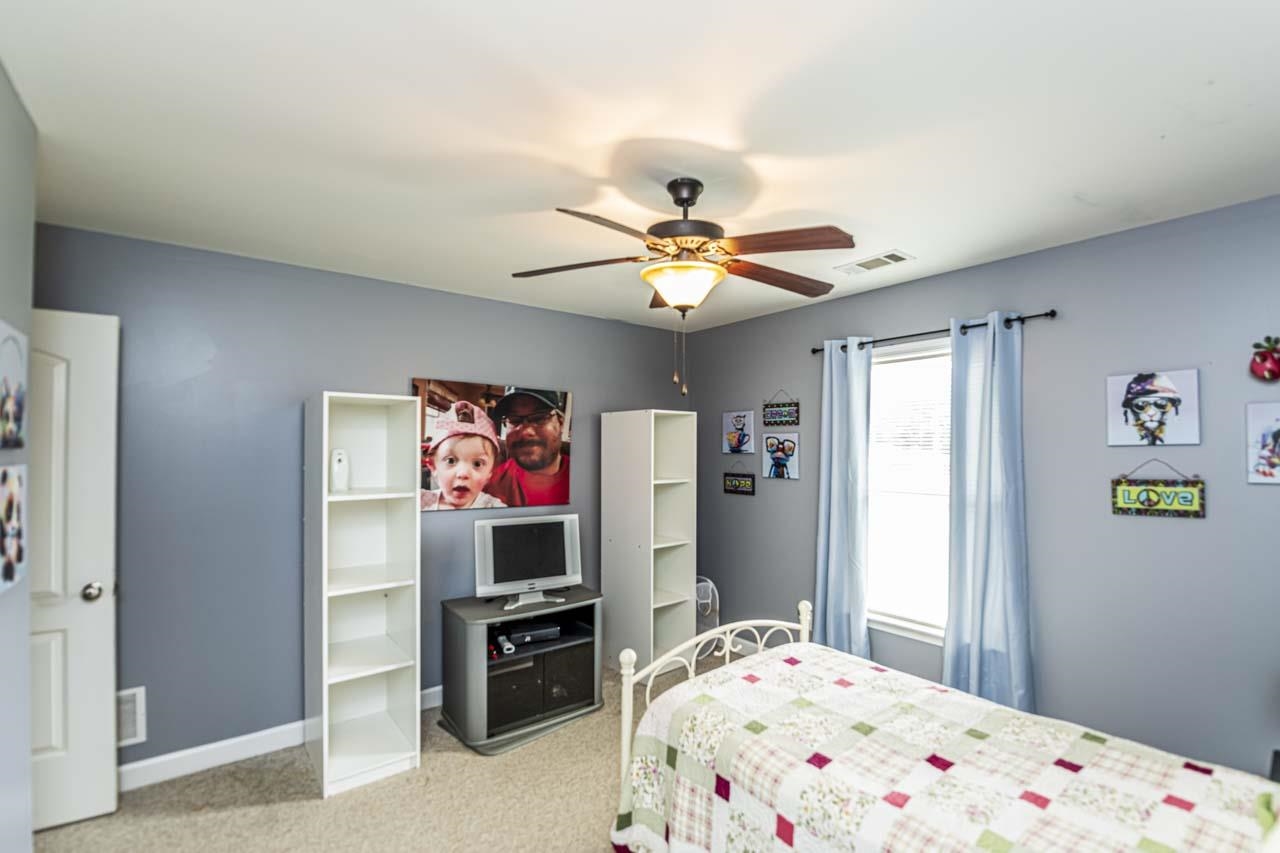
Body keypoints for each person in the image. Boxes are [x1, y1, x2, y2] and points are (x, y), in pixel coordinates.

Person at [484, 387, 570, 507]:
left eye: (539, 418)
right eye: (514, 420)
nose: (526, 432)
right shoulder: (486, 488)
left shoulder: (591, 480)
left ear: (560, 423)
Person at [419, 400, 507, 511]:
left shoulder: (495, 509)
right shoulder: (419, 502)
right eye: (450, 461)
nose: (463, 473)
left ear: (490, 472)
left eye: (477, 463)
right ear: (433, 466)